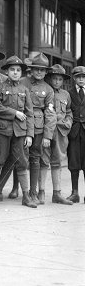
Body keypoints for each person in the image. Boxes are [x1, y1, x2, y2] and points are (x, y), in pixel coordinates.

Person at [0, 56, 36, 208]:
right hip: (2, 130)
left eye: (18, 70)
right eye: (12, 70)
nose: (15, 72)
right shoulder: (0, 87)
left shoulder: (24, 90)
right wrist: (14, 113)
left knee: (21, 162)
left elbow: (30, 114)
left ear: (21, 73)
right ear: (7, 72)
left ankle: (26, 196)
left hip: (20, 132)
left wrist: (29, 135)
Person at [20, 53, 56, 205]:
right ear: (31, 69)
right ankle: (16, 189)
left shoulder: (48, 89)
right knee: (19, 157)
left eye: (42, 70)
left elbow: (50, 113)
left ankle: (33, 192)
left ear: (46, 72)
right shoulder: (22, 82)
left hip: (38, 127)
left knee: (35, 158)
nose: (39, 72)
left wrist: (47, 135)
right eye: (36, 69)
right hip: (20, 123)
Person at [46, 65, 74, 205]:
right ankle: (38, 192)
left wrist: (68, 121)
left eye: (60, 79)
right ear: (50, 78)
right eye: (54, 78)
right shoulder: (45, 90)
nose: (57, 81)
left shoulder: (65, 94)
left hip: (60, 132)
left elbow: (68, 111)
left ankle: (57, 193)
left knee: (57, 161)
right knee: (41, 160)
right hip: (46, 130)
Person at [67, 66, 85, 203]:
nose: (81, 79)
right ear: (74, 78)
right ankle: (75, 193)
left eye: (83, 77)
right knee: (73, 162)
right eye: (78, 77)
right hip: (73, 132)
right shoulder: (69, 93)